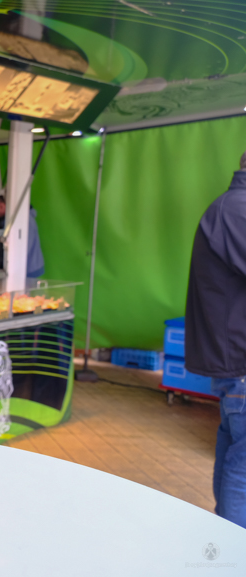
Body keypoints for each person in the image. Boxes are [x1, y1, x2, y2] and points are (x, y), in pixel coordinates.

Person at [185, 149, 246, 529]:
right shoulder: (238, 209)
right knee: (241, 469)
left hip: (236, 363)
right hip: (241, 363)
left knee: (234, 457)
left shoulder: (233, 207)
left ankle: (225, 546)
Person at [0, 191, 45, 278]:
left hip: (28, 269)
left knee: (25, 291)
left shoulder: (24, 220)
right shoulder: (8, 220)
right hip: (22, 268)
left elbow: (23, 249)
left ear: (0, 206)